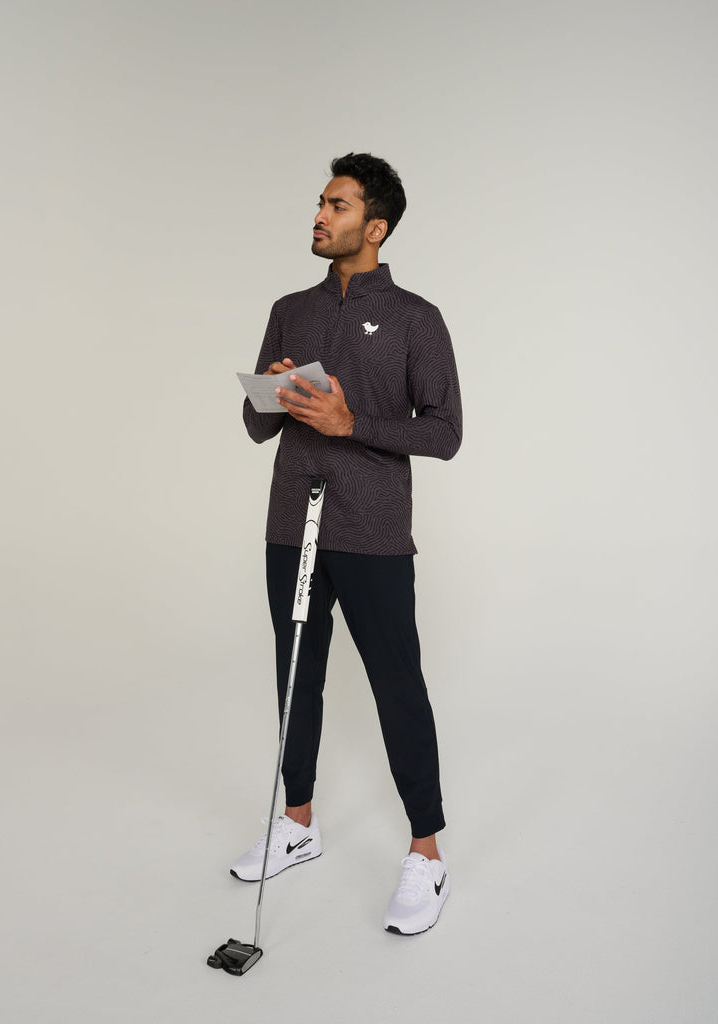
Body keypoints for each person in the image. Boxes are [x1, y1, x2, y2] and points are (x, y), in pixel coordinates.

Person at [233, 153, 462, 935]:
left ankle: (426, 855)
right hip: (290, 522)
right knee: (295, 673)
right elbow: (256, 425)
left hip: (371, 531)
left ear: (375, 227)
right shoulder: (289, 308)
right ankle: (296, 823)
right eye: (320, 202)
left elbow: (444, 432)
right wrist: (277, 391)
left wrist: (350, 422)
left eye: (337, 205)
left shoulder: (414, 317)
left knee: (397, 685)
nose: (319, 215)